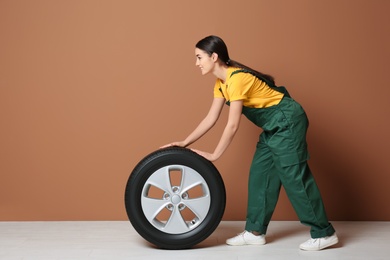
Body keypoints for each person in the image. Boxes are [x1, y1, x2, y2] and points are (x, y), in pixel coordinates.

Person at [162, 35, 338, 251]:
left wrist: (215, 155)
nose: (196, 63)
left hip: (288, 122)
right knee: (260, 174)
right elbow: (211, 119)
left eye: (199, 57)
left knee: (294, 176)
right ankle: (255, 232)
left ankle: (324, 233)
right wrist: (184, 142)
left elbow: (232, 125)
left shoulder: (236, 79)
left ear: (214, 56)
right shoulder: (221, 84)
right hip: (273, 127)